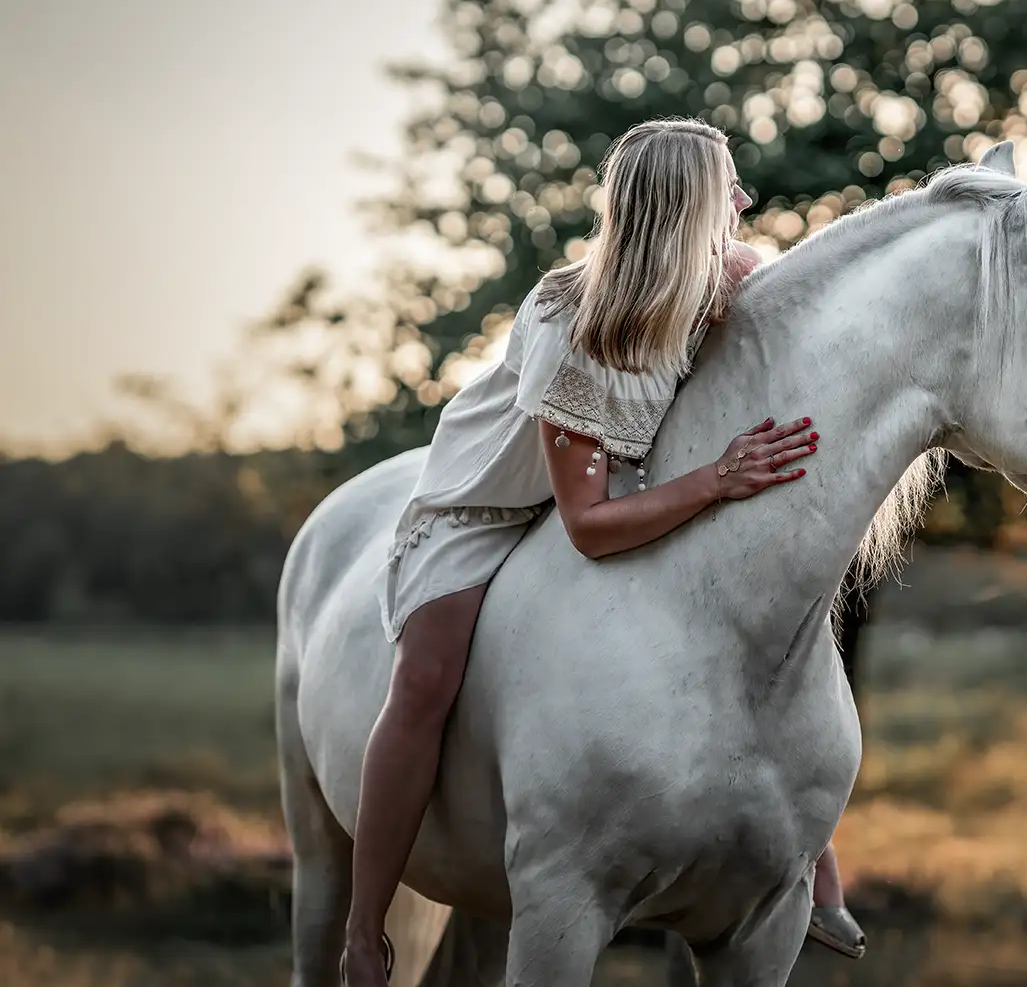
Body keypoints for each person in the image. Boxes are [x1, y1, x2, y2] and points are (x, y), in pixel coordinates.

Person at [341, 117, 866, 986]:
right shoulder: (572, 320)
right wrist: (717, 481)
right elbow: (585, 523)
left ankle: (811, 858)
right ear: (689, 206)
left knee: (747, 633)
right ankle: (365, 929)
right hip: (490, 507)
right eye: (727, 188)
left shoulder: (731, 275)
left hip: (633, 486)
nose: (743, 202)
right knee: (426, 679)